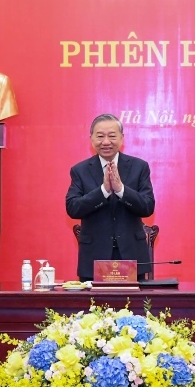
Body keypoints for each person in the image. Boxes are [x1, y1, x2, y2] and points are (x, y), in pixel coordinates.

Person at [65, 114, 155, 281]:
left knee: (134, 299)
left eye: (112, 136)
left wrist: (121, 189)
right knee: (93, 300)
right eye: (100, 136)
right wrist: (103, 191)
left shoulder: (139, 167)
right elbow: (73, 208)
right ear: (91, 139)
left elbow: (147, 206)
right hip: (94, 257)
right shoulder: (80, 170)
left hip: (132, 256)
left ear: (122, 138)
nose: (106, 142)